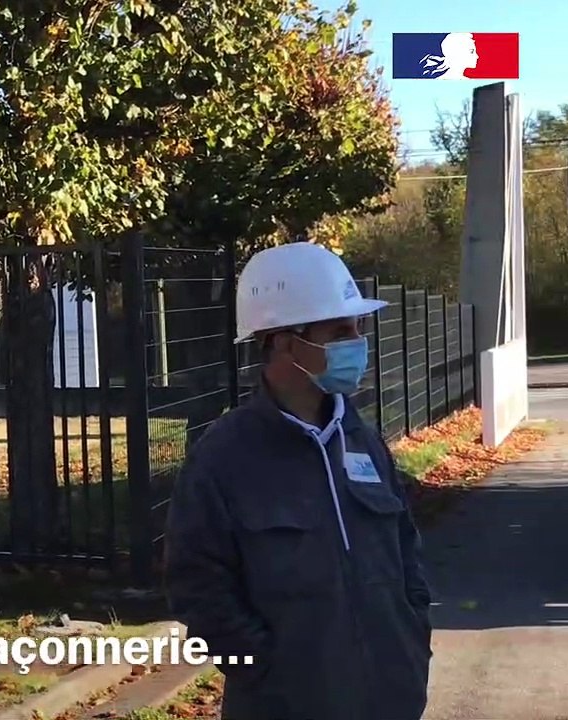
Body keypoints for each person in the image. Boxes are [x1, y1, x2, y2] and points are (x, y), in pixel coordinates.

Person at [162, 241, 433, 720]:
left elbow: (406, 554)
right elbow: (198, 588)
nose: (357, 342)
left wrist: (411, 641)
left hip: (390, 700)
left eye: (358, 328)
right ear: (285, 341)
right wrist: (267, 671)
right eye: (340, 330)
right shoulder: (224, 458)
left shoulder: (362, 440)